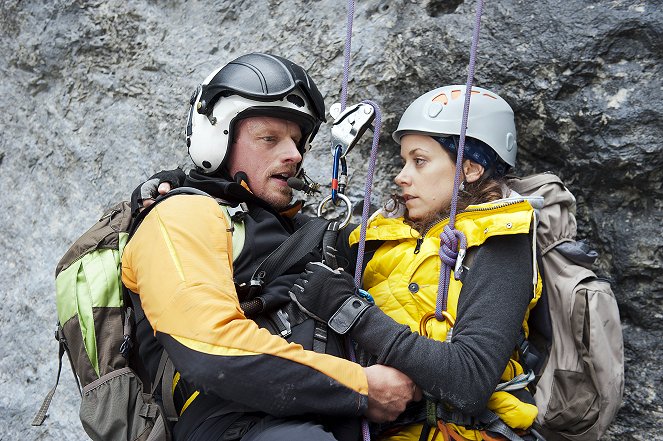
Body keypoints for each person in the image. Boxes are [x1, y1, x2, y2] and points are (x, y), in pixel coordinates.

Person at [121, 52, 419, 441]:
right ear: (218, 141)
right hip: (237, 423)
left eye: (297, 140)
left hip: (323, 416)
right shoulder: (182, 216)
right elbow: (211, 350)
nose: (295, 154)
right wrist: (361, 386)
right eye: (269, 138)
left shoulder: (307, 232)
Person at [289, 85, 543, 441]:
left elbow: (470, 381)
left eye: (419, 160)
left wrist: (350, 311)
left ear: (469, 168)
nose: (401, 176)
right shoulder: (378, 237)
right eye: (404, 160)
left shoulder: (500, 241)